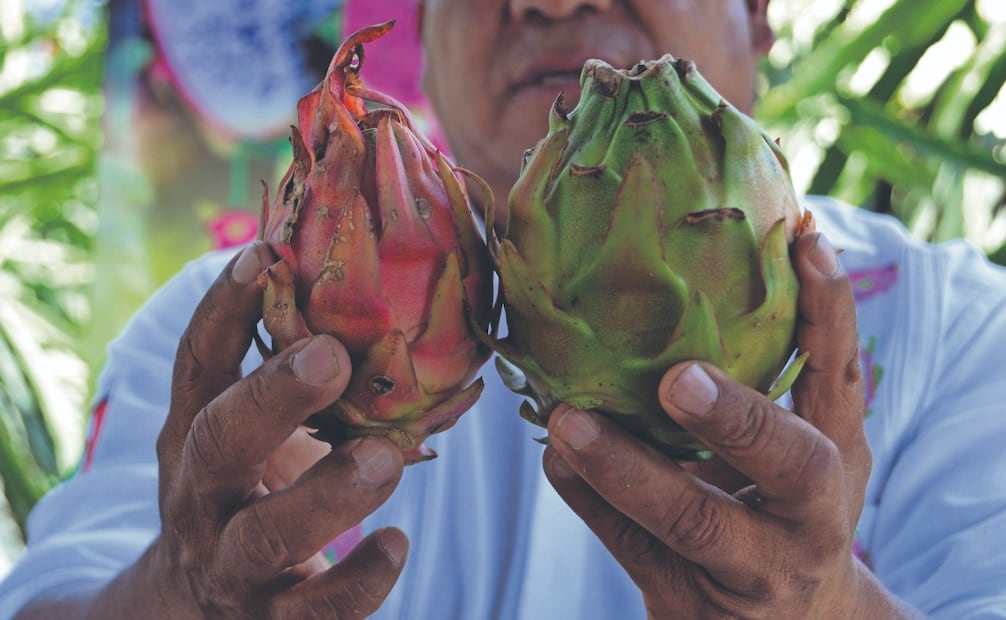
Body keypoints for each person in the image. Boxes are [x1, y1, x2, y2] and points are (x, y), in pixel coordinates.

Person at [3, 0, 1006, 617]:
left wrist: (837, 614)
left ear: (756, 13)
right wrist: (171, 598)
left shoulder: (954, 331)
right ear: (424, 36)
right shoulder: (226, 340)